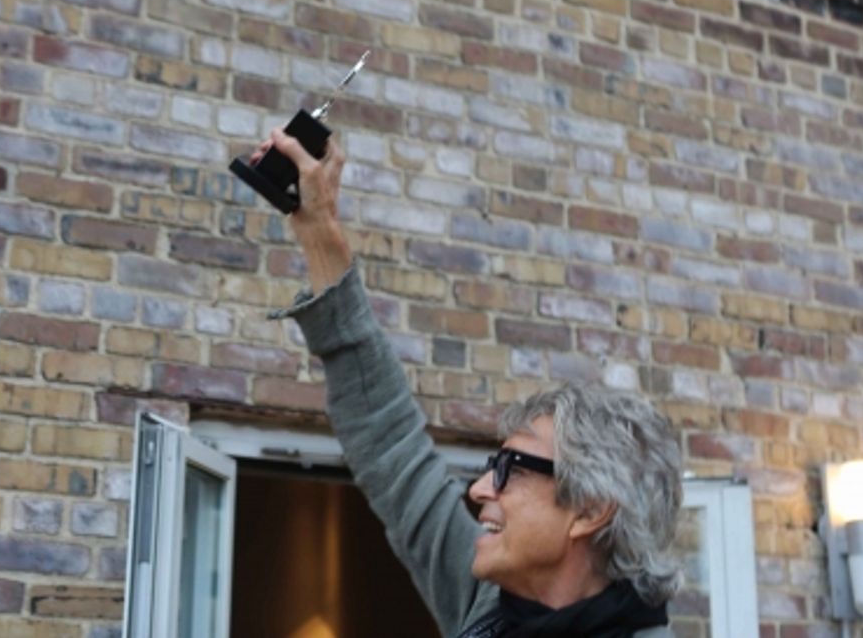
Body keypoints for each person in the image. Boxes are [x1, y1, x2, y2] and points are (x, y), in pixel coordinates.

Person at [260, 128, 683, 638]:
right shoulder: (489, 605)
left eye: (512, 468)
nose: (480, 488)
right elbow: (390, 446)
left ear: (590, 510)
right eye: (492, 466)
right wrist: (320, 231)